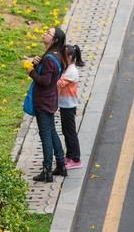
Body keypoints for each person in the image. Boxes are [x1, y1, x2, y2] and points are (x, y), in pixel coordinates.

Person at [27, 27, 67, 182]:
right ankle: (61, 165)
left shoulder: (50, 58)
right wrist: (37, 64)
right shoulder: (56, 55)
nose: (44, 34)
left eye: (48, 33)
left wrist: (30, 72)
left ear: (55, 39)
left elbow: (45, 81)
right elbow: (48, 75)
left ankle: (47, 170)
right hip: (50, 100)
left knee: (45, 136)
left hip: (43, 102)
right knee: (51, 132)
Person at [58, 44, 85, 170]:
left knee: (70, 132)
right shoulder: (67, 68)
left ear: (69, 57)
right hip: (64, 105)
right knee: (66, 131)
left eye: (62, 56)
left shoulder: (72, 71)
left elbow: (59, 84)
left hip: (69, 106)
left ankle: (76, 159)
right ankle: (69, 156)